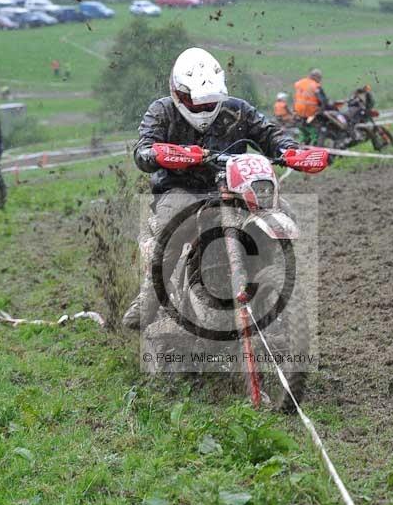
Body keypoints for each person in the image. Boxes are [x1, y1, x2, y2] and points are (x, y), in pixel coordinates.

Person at [122, 47, 329, 331]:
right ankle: (148, 299)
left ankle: (278, 279)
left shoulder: (237, 110)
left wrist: (290, 150)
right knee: (173, 226)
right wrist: (161, 154)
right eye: (196, 104)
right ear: (179, 94)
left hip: (234, 187)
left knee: (285, 210)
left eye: (210, 103)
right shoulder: (162, 111)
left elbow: (269, 134)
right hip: (181, 188)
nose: (204, 110)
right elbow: (142, 150)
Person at [293, 69, 329, 142]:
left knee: (304, 132)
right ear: (316, 77)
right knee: (315, 132)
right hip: (310, 112)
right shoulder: (315, 86)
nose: (320, 80)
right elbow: (323, 100)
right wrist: (323, 109)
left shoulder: (300, 83)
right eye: (319, 78)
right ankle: (314, 147)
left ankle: (301, 145)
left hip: (298, 112)